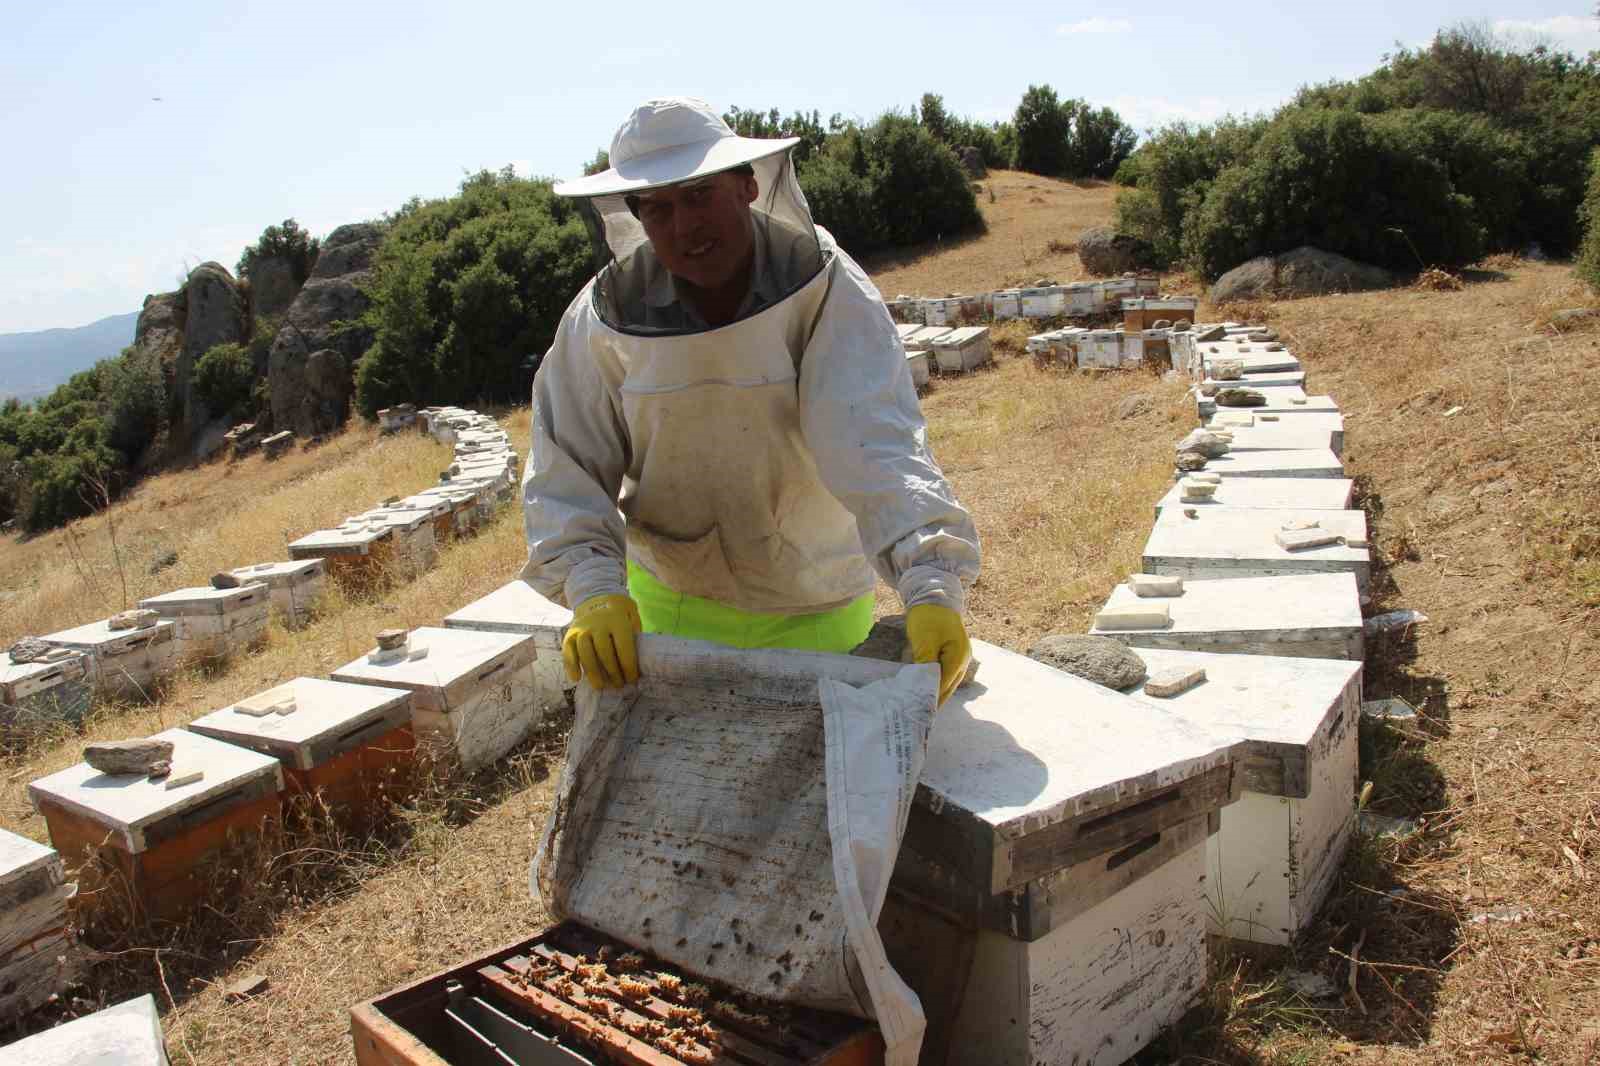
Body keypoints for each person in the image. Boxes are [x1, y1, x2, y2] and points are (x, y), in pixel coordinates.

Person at [520, 97, 981, 705]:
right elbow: (567, 464)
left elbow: (874, 440)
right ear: (633, 215)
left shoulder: (826, 288)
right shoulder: (599, 319)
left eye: (699, 195)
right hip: (670, 599)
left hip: (816, 596)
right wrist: (594, 587)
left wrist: (930, 583)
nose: (684, 227)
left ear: (747, 185)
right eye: (657, 208)